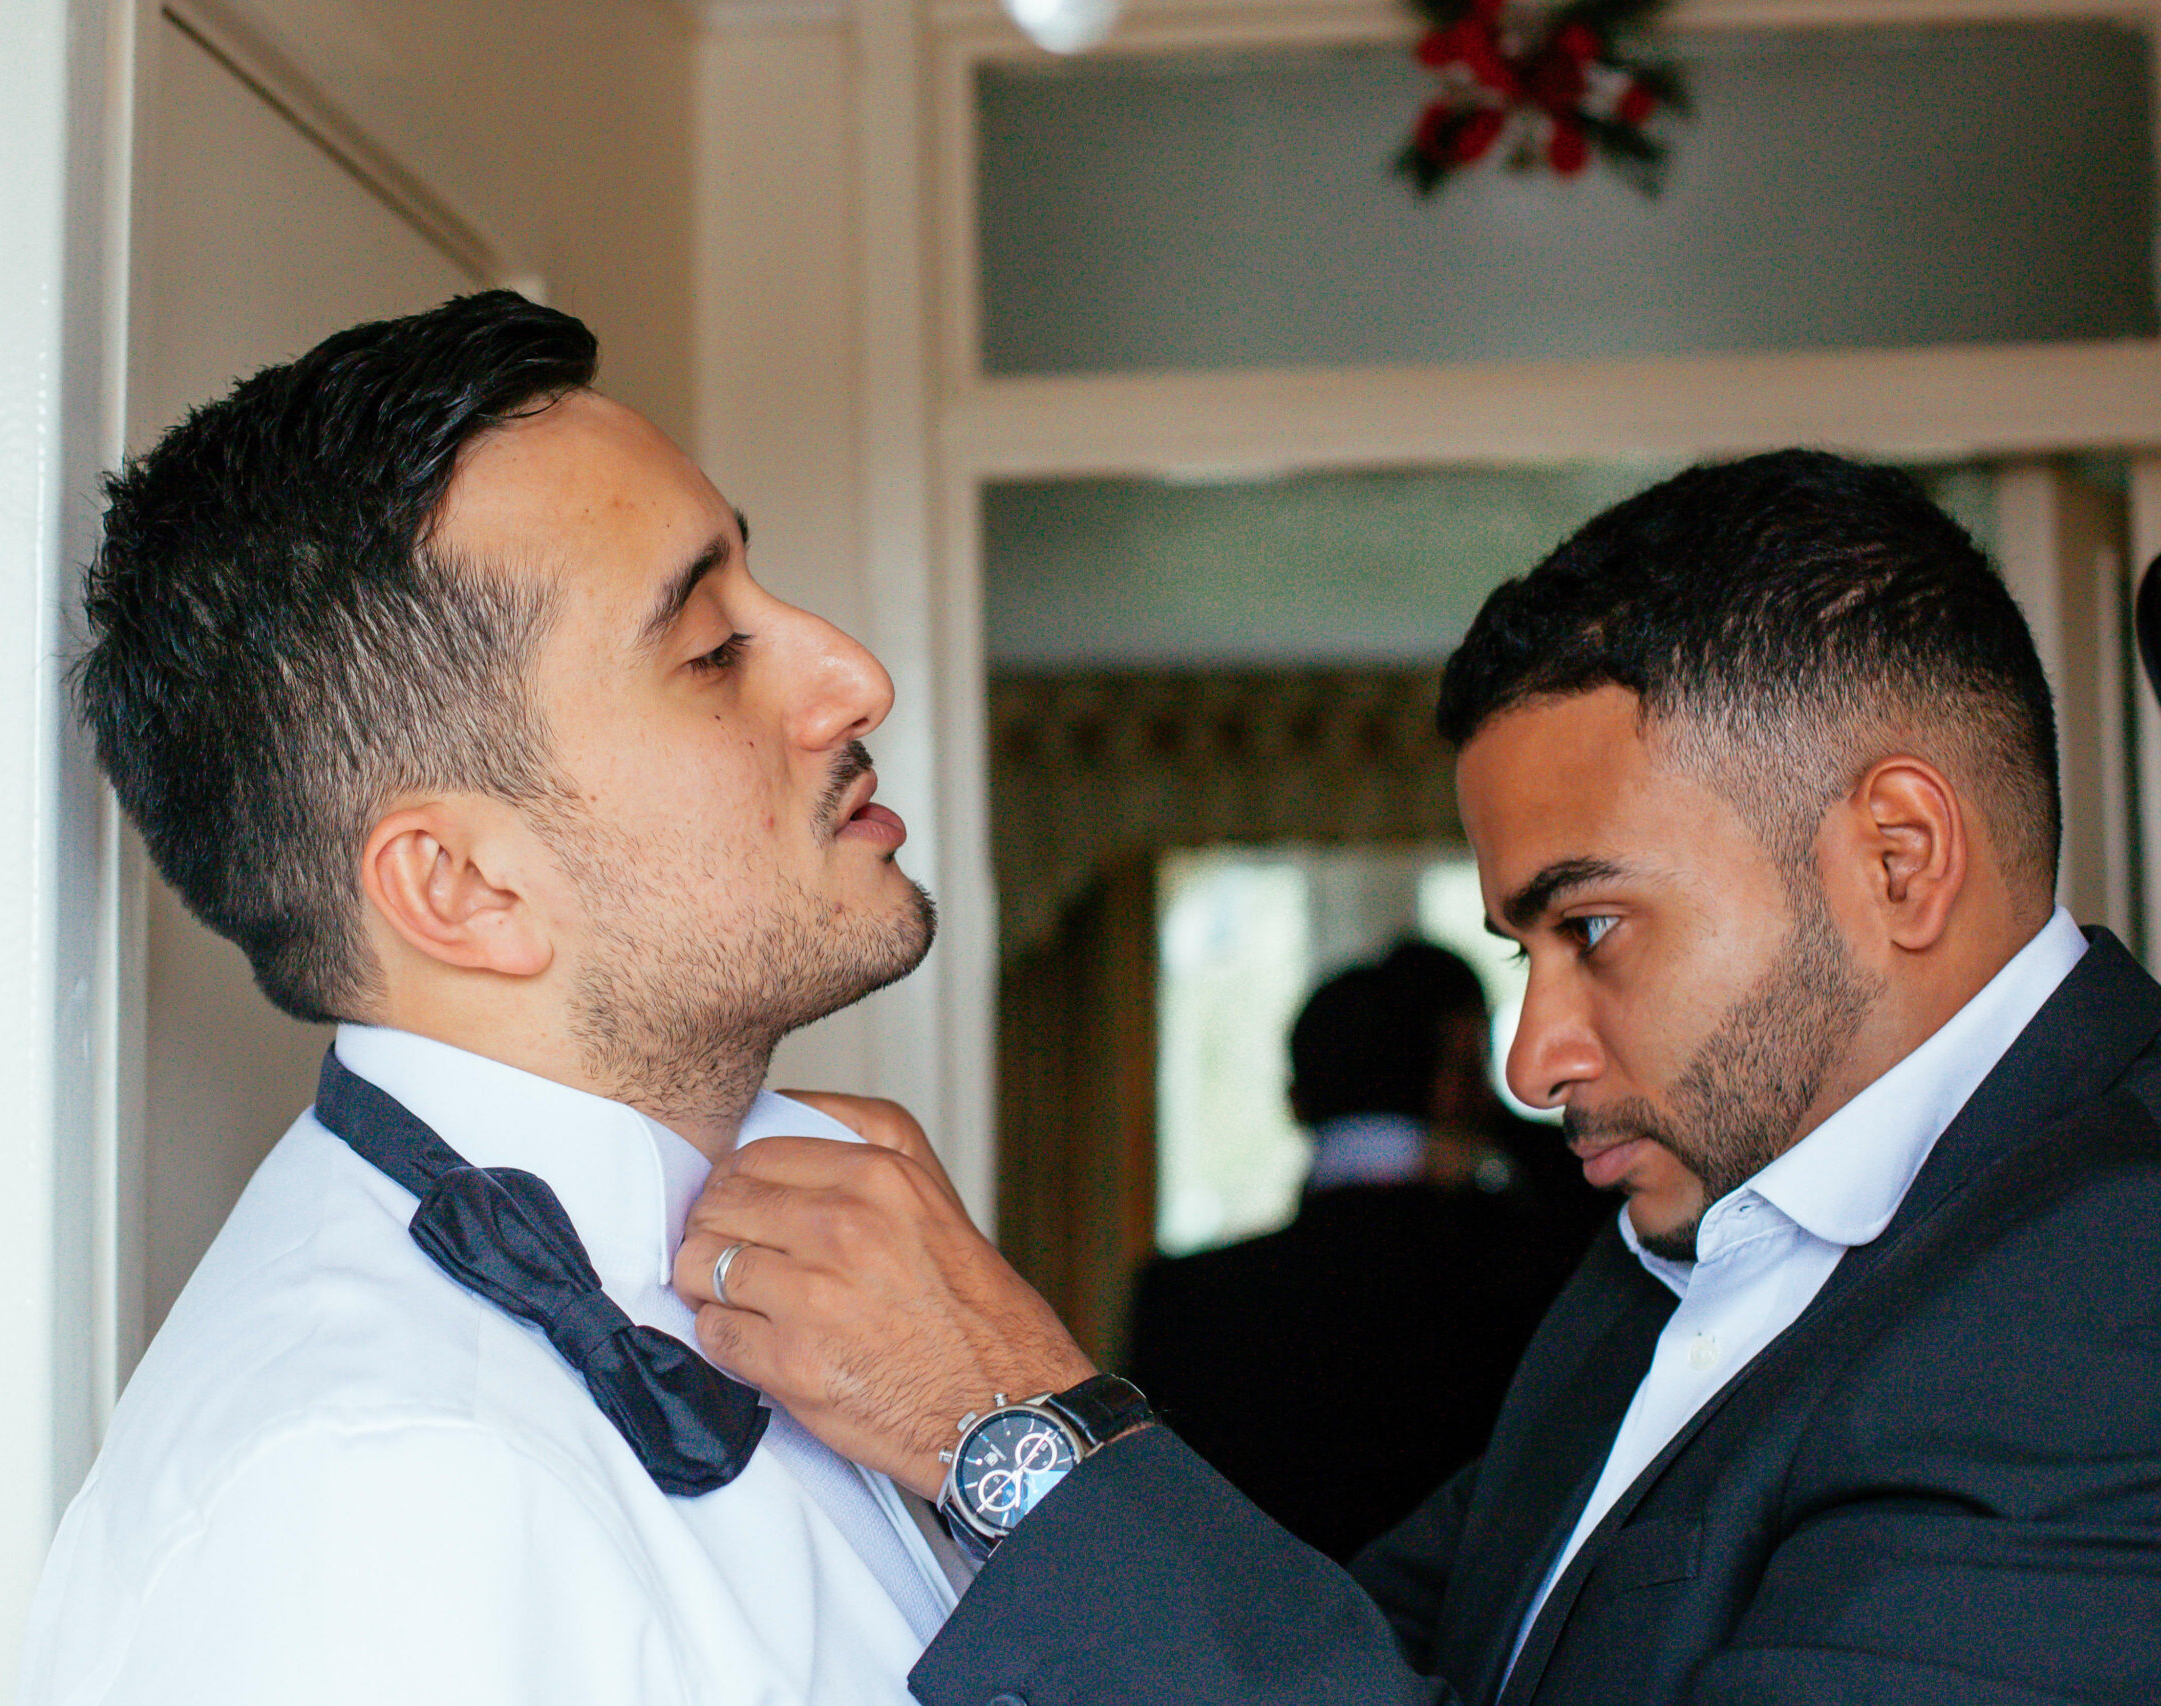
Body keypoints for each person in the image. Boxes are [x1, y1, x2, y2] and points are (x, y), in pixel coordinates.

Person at [676, 450, 2161, 1704]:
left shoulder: (2117, 1296)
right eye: (1526, 952)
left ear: (1897, 858)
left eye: (1593, 927)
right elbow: (1389, 1650)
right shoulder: (1681, 1246)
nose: (1532, 1059)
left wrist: (1014, 1426)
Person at [19, 291, 964, 1703]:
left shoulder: (839, 1256)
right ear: (461, 884)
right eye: (711, 649)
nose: (855, 677)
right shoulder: (372, 1502)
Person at [1127, 943, 1579, 1560]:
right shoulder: (1538, 1278)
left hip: (1246, 1646)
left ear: (1294, 1101)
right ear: (1452, 1088)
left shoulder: (1182, 1299)